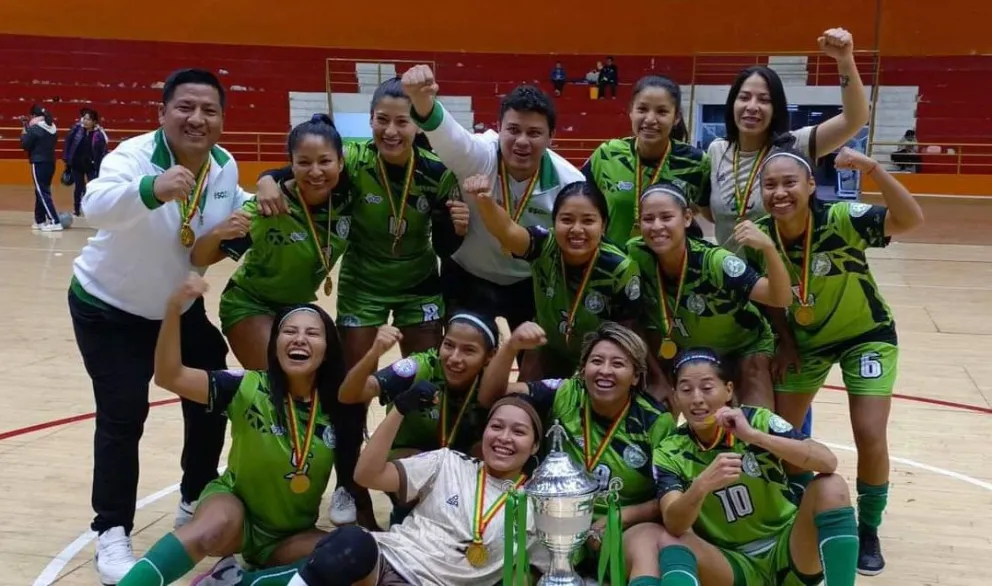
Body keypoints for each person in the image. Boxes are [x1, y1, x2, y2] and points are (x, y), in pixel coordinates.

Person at [67, 68, 249, 584]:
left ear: (221, 119)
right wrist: (152, 188)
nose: (197, 119)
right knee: (124, 414)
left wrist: (256, 200)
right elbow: (94, 205)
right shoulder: (134, 155)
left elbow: (212, 230)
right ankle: (112, 531)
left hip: (175, 309)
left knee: (213, 393)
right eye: (185, 107)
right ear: (163, 112)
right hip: (109, 308)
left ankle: (193, 498)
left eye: (209, 110)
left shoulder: (224, 166)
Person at [742, 146, 924, 575]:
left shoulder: (842, 219)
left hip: (866, 337)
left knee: (868, 432)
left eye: (790, 182)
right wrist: (784, 341)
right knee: (784, 438)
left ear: (810, 185)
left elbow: (910, 219)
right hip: (805, 344)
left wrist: (875, 169)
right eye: (770, 185)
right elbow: (768, 299)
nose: (780, 192)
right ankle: (798, 514)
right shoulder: (759, 237)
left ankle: (868, 528)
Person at [116, 275, 363, 586]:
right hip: (236, 512)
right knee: (210, 527)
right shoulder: (245, 385)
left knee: (348, 557)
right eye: (289, 331)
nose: (299, 339)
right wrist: (172, 310)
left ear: (328, 351)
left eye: (312, 333)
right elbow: (169, 376)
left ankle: (234, 581)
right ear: (275, 345)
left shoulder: (340, 407)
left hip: (290, 535)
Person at [198, 393, 552, 586]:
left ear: (535, 447)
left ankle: (237, 582)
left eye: (518, 432)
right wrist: (398, 411)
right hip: (387, 559)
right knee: (350, 544)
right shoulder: (449, 463)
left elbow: (533, 575)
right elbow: (367, 475)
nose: (504, 438)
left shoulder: (541, 508)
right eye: (497, 427)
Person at [637, 348, 859, 586]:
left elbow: (827, 462)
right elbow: (674, 522)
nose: (697, 398)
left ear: (728, 390)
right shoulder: (669, 451)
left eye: (707, 387)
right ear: (676, 396)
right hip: (732, 564)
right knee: (670, 539)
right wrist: (702, 485)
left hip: (790, 548)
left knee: (831, 486)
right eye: (686, 389)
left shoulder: (757, 420)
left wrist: (756, 437)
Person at [480, 320, 676, 580]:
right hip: (554, 521)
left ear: (636, 376)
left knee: (645, 550)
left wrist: (624, 516)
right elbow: (490, 397)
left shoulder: (655, 421)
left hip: (619, 528)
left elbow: (672, 495)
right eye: (597, 361)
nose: (605, 371)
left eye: (618, 364)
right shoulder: (565, 393)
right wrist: (512, 347)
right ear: (583, 369)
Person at [401, 64, 585, 330]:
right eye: (513, 130)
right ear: (499, 128)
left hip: (531, 283)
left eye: (534, 133)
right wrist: (421, 99)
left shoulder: (570, 183)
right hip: (468, 276)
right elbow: (448, 136)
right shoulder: (478, 156)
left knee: (536, 363)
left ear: (551, 137)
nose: (522, 141)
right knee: (464, 362)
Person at [190, 114, 349, 371]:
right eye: (304, 163)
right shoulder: (267, 209)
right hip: (251, 303)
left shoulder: (349, 200)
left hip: (298, 308)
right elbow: (200, 258)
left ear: (341, 163)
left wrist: (266, 176)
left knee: (319, 382)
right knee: (278, 380)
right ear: (292, 165)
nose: (316, 172)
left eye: (325, 161)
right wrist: (219, 233)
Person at [697, 28, 871, 247]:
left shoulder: (795, 145)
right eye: (744, 97)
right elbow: (712, 213)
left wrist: (845, 60)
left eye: (764, 99)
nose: (752, 106)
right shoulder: (716, 150)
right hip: (728, 276)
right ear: (732, 103)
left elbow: (854, 119)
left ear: (776, 108)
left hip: (780, 276)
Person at [626, 182, 792, 408]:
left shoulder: (715, 262)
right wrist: (658, 379)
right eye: (648, 219)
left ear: (686, 218)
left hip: (744, 347)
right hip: (687, 349)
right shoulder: (635, 254)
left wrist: (769, 248)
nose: (656, 226)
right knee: (655, 412)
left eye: (666, 217)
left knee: (755, 427)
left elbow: (780, 298)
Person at [465, 176, 641, 379]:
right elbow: (507, 230)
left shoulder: (620, 268)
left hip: (600, 356)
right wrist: (485, 201)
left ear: (603, 226)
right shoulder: (544, 244)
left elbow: (625, 335)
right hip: (547, 347)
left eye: (588, 221)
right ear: (554, 222)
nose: (576, 229)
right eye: (567, 220)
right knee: (519, 403)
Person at [337, 311, 500, 524]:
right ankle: (405, 515)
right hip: (412, 462)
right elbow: (347, 395)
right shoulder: (419, 367)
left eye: (469, 350)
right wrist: (373, 353)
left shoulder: (492, 383)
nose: (454, 358)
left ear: (489, 356)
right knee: (412, 460)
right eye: (449, 345)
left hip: (461, 467)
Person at [583, 75, 711, 244]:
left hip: (669, 267)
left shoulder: (696, 162)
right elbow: (580, 203)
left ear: (677, 117)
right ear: (631, 112)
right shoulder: (607, 155)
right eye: (642, 109)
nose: (650, 120)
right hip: (615, 265)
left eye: (662, 112)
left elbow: (711, 212)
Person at [21, 104, 61, 231]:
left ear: (34, 116)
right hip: (50, 162)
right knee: (41, 191)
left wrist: (24, 130)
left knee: (43, 192)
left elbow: (24, 144)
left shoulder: (34, 129)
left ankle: (55, 221)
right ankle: (40, 220)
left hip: (38, 162)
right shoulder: (53, 127)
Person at [62, 107, 109, 216]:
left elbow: (102, 151)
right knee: (78, 187)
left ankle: (92, 209)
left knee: (92, 187)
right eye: (84, 118)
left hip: (91, 165)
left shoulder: (99, 135)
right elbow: (68, 143)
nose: (85, 121)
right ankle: (76, 209)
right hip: (77, 164)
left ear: (94, 121)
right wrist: (67, 160)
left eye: (88, 119)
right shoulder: (76, 129)